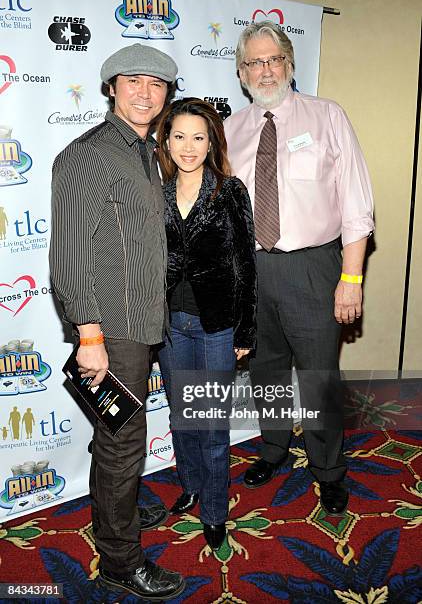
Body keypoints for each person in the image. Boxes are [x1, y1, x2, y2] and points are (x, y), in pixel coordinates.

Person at [49, 43, 185, 600]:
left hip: (142, 321)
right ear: (110, 87)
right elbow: (71, 256)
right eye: (132, 81)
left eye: (156, 85)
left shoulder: (145, 151)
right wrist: (90, 336)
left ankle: (116, 513)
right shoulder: (89, 154)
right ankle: (120, 561)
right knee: (122, 443)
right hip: (112, 328)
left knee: (115, 435)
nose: (145, 93)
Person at [224, 22, 374, 515]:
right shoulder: (230, 130)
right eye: (254, 63)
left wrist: (350, 279)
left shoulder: (327, 115)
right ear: (242, 74)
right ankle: (272, 450)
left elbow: (356, 204)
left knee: (318, 377)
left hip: (313, 268)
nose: (265, 70)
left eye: (273, 60)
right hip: (252, 272)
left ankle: (328, 470)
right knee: (264, 370)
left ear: (289, 64)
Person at [155, 98, 256, 550]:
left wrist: (245, 331)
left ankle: (215, 510)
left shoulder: (230, 191)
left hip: (216, 326)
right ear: (167, 141)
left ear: (211, 140)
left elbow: (245, 265)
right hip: (169, 325)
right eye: (179, 136)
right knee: (182, 416)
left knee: (212, 424)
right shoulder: (156, 194)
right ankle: (192, 484)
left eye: (199, 137)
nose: (188, 146)